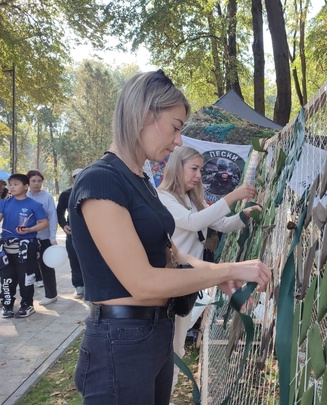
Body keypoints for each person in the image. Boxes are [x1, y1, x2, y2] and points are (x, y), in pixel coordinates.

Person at [68, 69, 270, 404]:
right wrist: (229, 271)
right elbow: (143, 282)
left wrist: (211, 276)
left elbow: (175, 256)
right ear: (144, 114)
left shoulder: (142, 182)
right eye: (176, 127)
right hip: (120, 343)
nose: (178, 141)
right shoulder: (101, 181)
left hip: (154, 334)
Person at [157, 145, 262, 392]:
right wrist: (232, 197)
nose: (198, 175)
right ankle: (163, 391)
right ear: (176, 167)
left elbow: (222, 224)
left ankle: (166, 391)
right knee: (169, 345)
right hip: (173, 279)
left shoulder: (194, 199)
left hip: (193, 278)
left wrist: (244, 216)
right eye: (193, 168)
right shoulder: (163, 198)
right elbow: (193, 223)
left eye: (201, 170)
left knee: (178, 343)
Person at [0, 174, 48, 318]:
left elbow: (44, 222)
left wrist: (29, 229)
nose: (11, 187)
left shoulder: (34, 205)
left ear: (25, 186)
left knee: (25, 277)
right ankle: (7, 305)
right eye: (10, 184)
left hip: (26, 247)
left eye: (15, 184)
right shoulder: (5, 202)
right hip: (6, 247)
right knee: (6, 278)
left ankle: (27, 305)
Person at [26, 170, 59, 305]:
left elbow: (52, 217)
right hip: (26, 238)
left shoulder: (47, 197)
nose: (36, 184)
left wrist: (52, 236)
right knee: (26, 267)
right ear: (27, 182)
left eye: (39, 181)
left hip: (44, 237)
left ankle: (51, 294)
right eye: (33, 181)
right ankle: (26, 298)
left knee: (46, 266)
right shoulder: (23, 196)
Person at [56, 168, 84, 299]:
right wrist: (64, 225)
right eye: (76, 176)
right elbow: (59, 212)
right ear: (72, 178)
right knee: (74, 258)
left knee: (91, 259)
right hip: (72, 231)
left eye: (81, 175)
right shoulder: (66, 194)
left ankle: (91, 285)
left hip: (91, 232)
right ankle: (78, 286)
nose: (78, 178)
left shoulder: (91, 191)